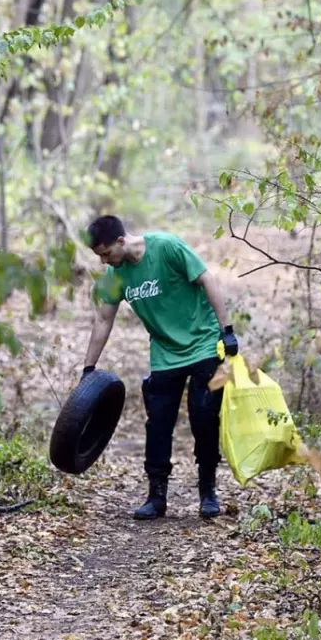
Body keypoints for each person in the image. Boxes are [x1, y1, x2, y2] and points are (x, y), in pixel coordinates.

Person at [81, 215, 239, 520]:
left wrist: (226, 329)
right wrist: (89, 368)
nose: (104, 262)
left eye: (106, 253)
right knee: (158, 424)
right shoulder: (115, 276)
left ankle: (207, 492)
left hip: (204, 344)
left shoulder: (166, 247)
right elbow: (103, 320)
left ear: (121, 242)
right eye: (99, 256)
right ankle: (156, 496)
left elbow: (207, 279)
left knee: (204, 418)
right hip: (165, 353)